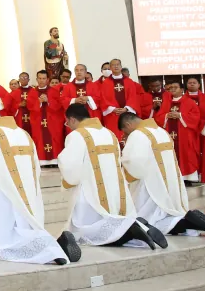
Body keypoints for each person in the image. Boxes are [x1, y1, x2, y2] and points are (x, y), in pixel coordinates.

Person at [0, 105, 77, 265]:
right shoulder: (24, 134)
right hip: (28, 194)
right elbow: (36, 166)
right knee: (23, 227)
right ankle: (52, 244)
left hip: (3, 193)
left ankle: (50, 248)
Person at [59, 105, 159, 250]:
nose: (68, 126)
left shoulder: (77, 135)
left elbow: (70, 165)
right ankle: (133, 227)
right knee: (110, 217)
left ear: (72, 119)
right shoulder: (109, 133)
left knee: (80, 232)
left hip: (90, 190)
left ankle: (127, 232)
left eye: (67, 123)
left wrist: (67, 178)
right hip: (115, 190)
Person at [121, 111, 205, 236]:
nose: (125, 135)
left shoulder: (137, 134)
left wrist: (123, 168)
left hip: (152, 186)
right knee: (165, 214)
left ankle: (190, 223)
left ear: (128, 124)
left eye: (125, 132)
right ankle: (191, 221)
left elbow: (132, 161)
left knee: (149, 223)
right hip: (171, 185)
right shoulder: (162, 131)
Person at [155, 80, 202, 184]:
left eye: (175, 87)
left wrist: (180, 115)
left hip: (185, 134)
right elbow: (158, 117)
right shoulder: (166, 102)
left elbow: (196, 117)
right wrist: (167, 115)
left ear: (182, 89)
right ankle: (173, 177)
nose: (172, 89)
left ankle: (188, 178)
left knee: (186, 153)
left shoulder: (189, 102)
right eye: (170, 87)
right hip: (170, 134)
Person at [97, 59, 141, 145]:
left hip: (127, 114)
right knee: (115, 138)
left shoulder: (129, 82)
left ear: (121, 67)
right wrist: (113, 109)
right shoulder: (106, 83)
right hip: (113, 115)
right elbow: (103, 99)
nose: (116, 66)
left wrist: (126, 108)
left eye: (118, 64)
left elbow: (133, 97)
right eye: (113, 65)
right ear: (110, 68)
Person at [34, 70, 65, 165]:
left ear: (47, 80)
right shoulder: (33, 91)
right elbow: (30, 106)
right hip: (38, 120)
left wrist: (48, 101)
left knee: (54, 138)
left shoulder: (54, 91)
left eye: (44, 78)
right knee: (39, 138)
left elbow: (59, 105)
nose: (41, 80)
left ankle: (55, 160)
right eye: (39, 78)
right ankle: (42, 161)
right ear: (36, 79)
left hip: (52, 120)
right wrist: (38, 102)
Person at [11, 72, 42, 150]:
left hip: (32, 118)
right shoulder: (15, 92)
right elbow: (9, 106)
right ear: (19, 80)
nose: (23, 79)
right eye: (21, 78)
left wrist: (29, 104)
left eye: (25, 78)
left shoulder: (34, 91)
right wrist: (18, 105)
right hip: (19, 119)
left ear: (29, 79)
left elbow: (38, 104)